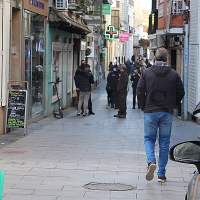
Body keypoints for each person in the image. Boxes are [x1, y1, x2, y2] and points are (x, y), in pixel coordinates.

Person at [136, 47, 185, 183]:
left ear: (155, 58)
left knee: (149, 139)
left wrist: (143, 106)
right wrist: (172, 104)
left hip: (150, 111)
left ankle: (151, 161)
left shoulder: (147, 73)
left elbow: (139, 90)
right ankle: (161, 174)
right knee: (164, 142)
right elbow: (181, 92)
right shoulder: (174, 74)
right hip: (166, 112)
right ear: (167, 59)